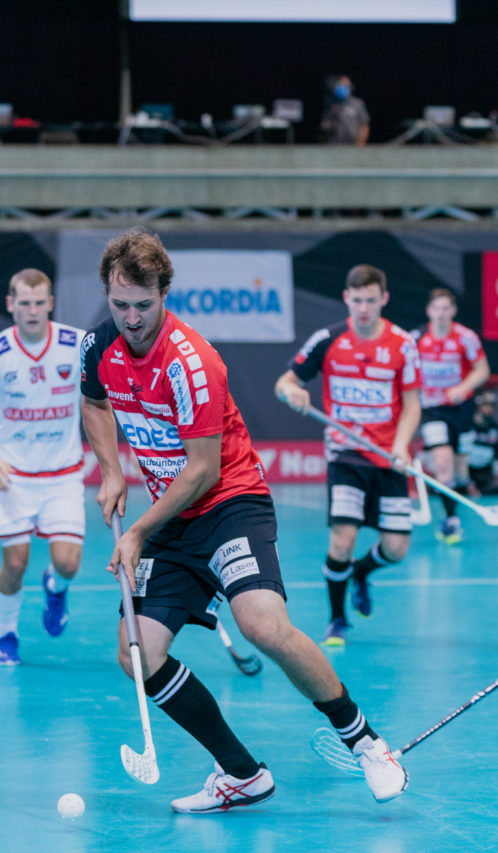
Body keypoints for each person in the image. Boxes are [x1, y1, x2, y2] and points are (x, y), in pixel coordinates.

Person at [81, 228, 406, 813]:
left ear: (165, 293)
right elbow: (94, 399)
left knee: (263, 626)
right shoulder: (97, 345)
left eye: (143, 305)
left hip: (229, 502)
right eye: (119, 304)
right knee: (137, 654)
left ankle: (366, 743)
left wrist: (135, 531)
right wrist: (111, 470)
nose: (131, 318)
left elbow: (203, 471)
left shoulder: (193, 362)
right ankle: (241, 774)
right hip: (169, 518)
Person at [274, 264, 422, 646]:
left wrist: (401, 445)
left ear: (383, 299)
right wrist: (292, 392)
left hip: (387, 457)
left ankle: (360, 572)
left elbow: (412, 405)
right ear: (346, 298)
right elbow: (285, 381)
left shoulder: (403, 344)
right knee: (342, 540)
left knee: (396, 549)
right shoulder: (328, 339)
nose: (364, 308)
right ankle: (337, 619)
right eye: (357, 300)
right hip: (345, 456)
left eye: (371, 300)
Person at [0, 269, 85, 666]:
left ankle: (55, 586)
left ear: (50, 303)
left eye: (39, 303)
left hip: (64, 474)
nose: (32, 311)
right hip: (12, 476)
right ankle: (7, 635)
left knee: (68, 563)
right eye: (24, 303)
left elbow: (103, 398)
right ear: (10, 304)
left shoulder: (76, 344)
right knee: (14, 564)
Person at [412, 287, 490, 544]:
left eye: (447, 309)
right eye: (437, 308)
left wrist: (463, 387)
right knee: (443, 465)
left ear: (453, 311)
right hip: (433, 409)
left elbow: (482, 370)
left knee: (460, 470)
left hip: (462, 409)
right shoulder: (417, 338)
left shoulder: (466, 337)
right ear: (429, 311)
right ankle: (450, 521)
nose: (442, 313)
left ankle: (455, 502)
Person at [461, 390, 498, 496]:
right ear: (478, 406)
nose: (489, 409)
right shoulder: (466, 426)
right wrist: (466, 482)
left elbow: (496, 455)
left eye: (492, 406)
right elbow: (460, 454)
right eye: (486, 406)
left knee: (496, 489)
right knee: (457, 489)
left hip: (484, 471)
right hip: (465, 470)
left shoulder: (496, 428)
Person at [319, 74, 369, 146]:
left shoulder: (357, 104)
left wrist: (360, 143)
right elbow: (324, 123)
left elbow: (364, 125)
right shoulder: (330, 103)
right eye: (341, 85)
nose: (344, 88)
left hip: (352, 144)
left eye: (347, 86)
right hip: (332, 144)